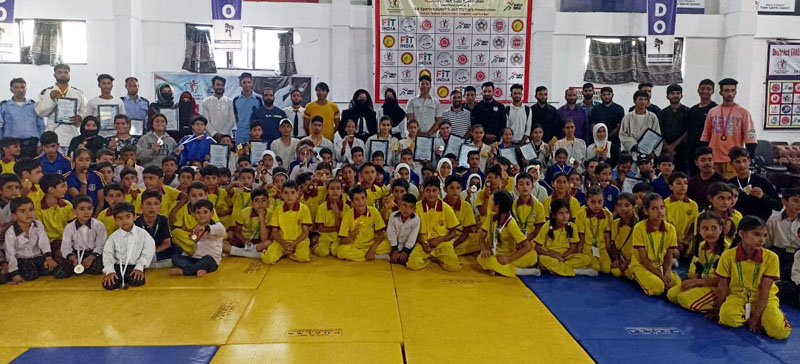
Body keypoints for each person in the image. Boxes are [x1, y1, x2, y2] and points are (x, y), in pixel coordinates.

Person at [716, 216, 791, 340]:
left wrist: (756, 316)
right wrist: (719, 309)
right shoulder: (728, 255)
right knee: (727, 318)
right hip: (738, 297)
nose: (761, 240)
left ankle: (764, 315)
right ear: (742, 234)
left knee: (779, 332)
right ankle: (752, 315)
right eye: (756, 234)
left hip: (764, 299)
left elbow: (765, 290)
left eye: (764, 236)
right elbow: (722, 285)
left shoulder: (771, 257)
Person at [666, 211, 725, 312]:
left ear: (721, 229)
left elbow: (723, 281)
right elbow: (700, 268)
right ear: (699, 230)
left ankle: (719, 308)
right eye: (705, 228)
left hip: (717, 288)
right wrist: (693, 282)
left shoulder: (726, 250)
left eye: (714, 228)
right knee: (671, 295)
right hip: (703, 282)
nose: (710, 233)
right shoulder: (702, 245)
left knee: (683, 299)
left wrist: (696, 282)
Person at [701, 78, 757, 179]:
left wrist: (750, 157)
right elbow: (705, 137)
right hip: (715, 159)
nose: (730, 94)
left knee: (731, 189)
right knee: (716, 188)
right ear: (721, 92)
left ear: (735, 92)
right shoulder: (712, 112)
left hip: (733, 160)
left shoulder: (743, 112)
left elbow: (751, 137)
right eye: (726, 90)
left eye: (732, 90)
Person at [477, 190, 539, 277]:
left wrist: (509, 259)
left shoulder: (510, 223)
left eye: (492, 201)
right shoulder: (491, 217)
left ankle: (504, 269)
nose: (490, 203)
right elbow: (481, 237)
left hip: (509, 255)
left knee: (533, 256)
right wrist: (484, 249)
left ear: (497, 206)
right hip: (494, 254)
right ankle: (514, 270)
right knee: (481, 259)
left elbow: (527, 246)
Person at [629, 193, 681, 296]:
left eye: (662, 207)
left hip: (659, 266)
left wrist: (666, 273)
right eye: (655, 208)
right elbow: (643, 259)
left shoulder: (670, 229)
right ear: (646, 211)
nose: (660, 212)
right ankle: (636, 275)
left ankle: (662, 278)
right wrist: (661, 277)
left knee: (678, 286)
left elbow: (669, 255)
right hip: (641, 266)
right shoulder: (639, 228)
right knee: (658, 288)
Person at [407, 178, 462, 271]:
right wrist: (423, 243)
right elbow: (412, 231)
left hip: (442, 243)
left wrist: (440, 239)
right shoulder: (417, 207)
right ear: (424, 191)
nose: (431, 194)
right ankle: (430, 258)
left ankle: (435, 257)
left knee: (454, 267)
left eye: (434, 190)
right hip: (423, 242)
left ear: (439, 191)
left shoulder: (446, 208)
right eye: (428, 191)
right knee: (412, 265)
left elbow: (454, 233)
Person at [534, 198, 595, 276]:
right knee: (542, 259)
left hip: (566, 257)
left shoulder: (572, 226)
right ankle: (576, 271)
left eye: (567, 213)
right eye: (561, 213)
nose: (565, 216)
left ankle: (556, 269)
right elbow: (537, 247)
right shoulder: (547, 225)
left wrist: (562, 257)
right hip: (551, 256)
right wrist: (553, 255)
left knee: (587, 259)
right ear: (553, 215)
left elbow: (573, 248)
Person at [101, 202, 154, 290]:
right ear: (115, 220)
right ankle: (119, 278)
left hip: (135, 265)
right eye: (120, 218)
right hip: (118, 266)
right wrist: (110, 271)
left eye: (128, 216)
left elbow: (148, 251)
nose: (124, 221)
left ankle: (128, 277)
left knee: (137, 281)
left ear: (135, 216)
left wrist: (140, 267)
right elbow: (108, 254)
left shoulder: (143, 234)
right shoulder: (113, 237)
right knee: (109, 285)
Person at [35, 64, 87, 152]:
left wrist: (81, 117)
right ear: (54, 75)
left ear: (69, 75)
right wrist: (51, 100)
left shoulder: (78, 93)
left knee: (71, 163)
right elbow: (40, 112)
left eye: (66, 72)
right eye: (59, 72)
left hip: (71, 133)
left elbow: (85, 110)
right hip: (53, 133)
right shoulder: (47, 92)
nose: (63, 74)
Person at [5, 196, 56, 283]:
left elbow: (44, 242)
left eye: (31, 210)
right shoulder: (11, 232)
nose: (28, 214)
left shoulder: (38, 225)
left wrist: (48, 258)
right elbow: (10, 254)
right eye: (23, 211)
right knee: (31, 274)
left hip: (37, 257)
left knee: (55, 268)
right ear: (14, 216)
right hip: (21, 260)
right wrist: (14, 274)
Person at [53, 195, 106, 278]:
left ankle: (84, 266)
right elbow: (65, 247)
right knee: (60, 273)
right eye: (81, 209)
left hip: (92, 253)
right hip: (75, 253)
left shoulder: (99, 225)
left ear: (93, 210)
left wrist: (92, 257)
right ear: (74, 211)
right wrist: (71, 257)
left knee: (97, 269)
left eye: (89, 208)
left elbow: (101, 245)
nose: (86, 212)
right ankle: (78, 266)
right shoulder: (69, 227)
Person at [170, 200, 224, 277]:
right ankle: (199, 269)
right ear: (194, 215)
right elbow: (194, 239)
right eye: (198, 213)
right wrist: (195, 234)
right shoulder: (197, 227)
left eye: (205, 212)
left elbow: (222, 231)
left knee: (207, 260)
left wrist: (206, 228)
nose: (202, 215)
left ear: (212, 213)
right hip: (196, 258)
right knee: (176, 258)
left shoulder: (217, 225)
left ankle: (184, 272)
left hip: (211, 260)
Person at [261, 180, 312, 264]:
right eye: (286, 193)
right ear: (281, 195)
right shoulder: (278, 210)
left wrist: (294, 244)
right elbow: (274, 232)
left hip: (299, 241)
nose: (289, 196)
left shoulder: (304, 209)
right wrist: (283, 243)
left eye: (292, 192)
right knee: (267, 259)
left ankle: (287, 253)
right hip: (281, 241)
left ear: (297, 194)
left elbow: (305, 232)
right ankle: (286, 251)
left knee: (302, 257)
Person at [336, 185, 391, 262]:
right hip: (356, 246)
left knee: (388, 244)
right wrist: (351, 236)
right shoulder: (347, 215)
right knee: (340, 251)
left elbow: (381, 234)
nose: (361, 202)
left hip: (371, 243)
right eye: (357, 199)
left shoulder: (374, 211)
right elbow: (342, 241)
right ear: (352, 202)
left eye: (363, 198)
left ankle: (365, 255)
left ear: (366, 198)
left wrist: (373, 248)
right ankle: (374, 256)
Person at [728, 147, 780, 222]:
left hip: (759, 223)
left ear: (749, 161)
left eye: (744, 161)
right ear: (731, 164)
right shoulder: (730, 183)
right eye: (737, 162)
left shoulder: (762, 181)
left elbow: (778, 206)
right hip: (738, 223)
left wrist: (762, 196)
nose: (742, 165)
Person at [0, 78, 46, 158]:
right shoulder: (4, 106)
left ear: (26, 89)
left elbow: (41, 126)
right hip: (10, 145)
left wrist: (40, 143)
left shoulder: (34, 106)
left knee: (30, 168)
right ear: (11, 90)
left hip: (31, 144)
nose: (20, 90)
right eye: (16, 87)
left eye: (22, 87)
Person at [34, 173, 75, 256]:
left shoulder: (67, 205)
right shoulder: (37, 208)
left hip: (65, 242)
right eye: (62, 186)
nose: (66, 189)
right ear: (51, 189)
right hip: (46, 244)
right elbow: (39, 233)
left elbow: (73, 226)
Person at [576, 186, 614, 274]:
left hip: (602, 248)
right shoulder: (580, 214)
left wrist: (611, 255)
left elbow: (607, 237)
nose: (597, 205)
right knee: (596, 267)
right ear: (587, 201)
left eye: (600, 202)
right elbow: (580, 238)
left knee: (607, 269)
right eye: (593, 202)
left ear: (603, 201)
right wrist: (580, 254)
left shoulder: (608, 215)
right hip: (587, 248)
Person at [664, 172, 699, 260]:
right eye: (679, 183)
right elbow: (665, 226)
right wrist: (676, 243)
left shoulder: (693, 204)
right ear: (671, 186)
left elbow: (694, 226)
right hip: (670, 242)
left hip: (687, 244)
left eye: (685, 183)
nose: (683, 186)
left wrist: (686, 241)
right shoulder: (665, 204)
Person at [134, 190, 173, 267]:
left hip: (158, 251)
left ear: (160, 206)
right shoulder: (135, 223)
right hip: (140, 253)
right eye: (148, 203)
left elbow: (167, 243)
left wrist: (152, 252)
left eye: (156, 204)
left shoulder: (163, 220)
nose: (152, 207)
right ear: (141, 207)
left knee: (176, 256)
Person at [687, 79, 717, 175]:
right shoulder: (692, 110)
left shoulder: (715, 109)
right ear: (698, 90)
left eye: (708, 89)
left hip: (707, 149)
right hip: (692, 151)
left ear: (713, 91)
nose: (705, 91)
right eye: (702, 88)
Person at [658, 84, 690, 172]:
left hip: (682, 150)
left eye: (678, 93)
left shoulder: (688, 111)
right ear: (667, 96)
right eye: (672, 93)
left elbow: (688, 131)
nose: (675, 95)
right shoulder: (662, 113)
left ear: (681, 96)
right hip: (665, 150)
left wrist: (672, 146)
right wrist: (667, 147)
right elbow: (659, 131)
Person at [620, 90, 662, 157]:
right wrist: (633, 145)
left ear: (648, 101)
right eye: (640, 99)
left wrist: (654, 152)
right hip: (632, 153)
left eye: (645, 99)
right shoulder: (628, 117)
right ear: (634, 101)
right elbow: (623, 134)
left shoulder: (652, 117)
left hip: (648, 152)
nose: (643, 101)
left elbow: (657, 135)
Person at [85, 74, 127, 138]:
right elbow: (87, 119)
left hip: (115, 135)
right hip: (98, 135)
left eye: (108, 83)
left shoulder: (119, 101)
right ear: (99, 85)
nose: (106, 86)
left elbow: (123, 119)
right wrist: (96, 119)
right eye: (103, 83)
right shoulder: (92, 102)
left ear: (112, 86)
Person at [387, 193, 420, 266]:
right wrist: (395, 250)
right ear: (399, 205)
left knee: (412, 259)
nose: (406, 209)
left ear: (414, 209)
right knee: (379, 249)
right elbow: (391, 233)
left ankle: (401, 256)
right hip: (393, 245)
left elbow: (412, 238)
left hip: (408, 246)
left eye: (410, 207)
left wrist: (405, 251)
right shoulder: (393, 216)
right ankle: (394, 255)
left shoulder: (416, 220)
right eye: (404, 205)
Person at [610, 193, 637, 278]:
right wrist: (617, 259)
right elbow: (614, 244)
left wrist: (627, 263)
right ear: (616, 208)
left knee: (630, 272)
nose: (623, 209)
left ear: (634, 207)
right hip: (622, 258)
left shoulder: (640, 224)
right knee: (615, 271)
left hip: (636, 259)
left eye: (627, 205)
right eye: (619, 205)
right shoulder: (615, 224)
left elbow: (641, 250)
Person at [233, 73, 263, 144]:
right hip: (240, 133)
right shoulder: (236, 100)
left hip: (254, 133)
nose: (247, 85)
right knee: (240, 153)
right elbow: (235, 116)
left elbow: (261, 116)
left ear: (252, 83)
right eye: (244, 82)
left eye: (249, 82)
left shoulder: (258, 99)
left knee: (254, 154)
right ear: (241, 84)